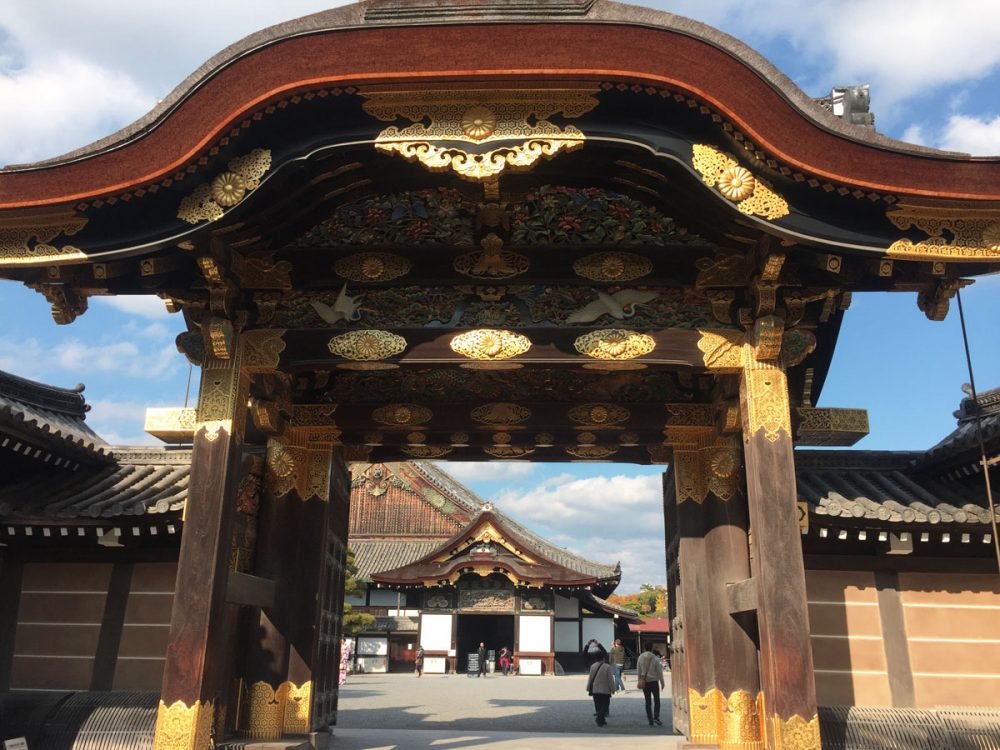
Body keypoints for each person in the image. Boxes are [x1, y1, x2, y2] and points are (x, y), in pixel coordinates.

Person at [636, 642, 665, 727]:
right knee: (657, 700)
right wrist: (662, 682)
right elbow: (659, 672)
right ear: (651, 648)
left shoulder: (640, 658)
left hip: (645, 682)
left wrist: (639, 680)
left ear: (644, 648)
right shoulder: (655, 658)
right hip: (654, 682)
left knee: (648, 701)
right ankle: (656, 716)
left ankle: (650, 719)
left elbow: (638, 671)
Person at [586, 656, 617, 727]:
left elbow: (590, 678)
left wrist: (588, 688)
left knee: (598, 706)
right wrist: (613, 689)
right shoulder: (607, 667)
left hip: (595, 689)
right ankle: (600, 718)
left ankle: (601, 720)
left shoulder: (593, 666)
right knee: (605, 705)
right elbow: (610, 679)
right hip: (605, 690)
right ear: (603, 658)